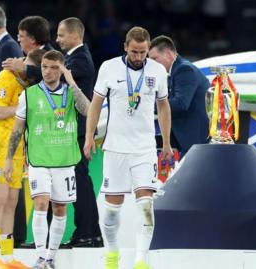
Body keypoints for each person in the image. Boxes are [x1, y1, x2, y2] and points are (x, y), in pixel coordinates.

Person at [84, 27, 173, 269]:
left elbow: (163, 107)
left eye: (143, 52)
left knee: (145, 205)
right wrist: (89, 137)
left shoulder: (157, 71)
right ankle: (112, 254)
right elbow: (95, 104)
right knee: (112, 210)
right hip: (116, 148)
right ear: (125, 47)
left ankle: (141, 260)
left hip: (144, 149)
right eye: (134, 51)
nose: (138, 57)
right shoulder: (109, 68)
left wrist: (164, 142)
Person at [3, 50, 91, 269]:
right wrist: (8, 159)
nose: (48, 71)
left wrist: (72, 82)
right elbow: (17, 130)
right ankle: (41, 257)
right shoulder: (29, 95)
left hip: (64, 160)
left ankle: (51, 257)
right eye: (44, 67)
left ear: (61, 69)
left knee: (60, 209)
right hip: (39, 160)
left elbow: (89, 110)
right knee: (41, 204)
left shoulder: (71, 93)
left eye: (54, 67)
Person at [0, 48, 45, 269]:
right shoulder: (6, 78)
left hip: (16, 149)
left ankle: (7, 257)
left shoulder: (25, 84)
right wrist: (23, 107)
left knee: (12, 202)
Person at [56, 17, 102, 248]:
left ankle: (87, 232)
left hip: (77, 129)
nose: (57, 39)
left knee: (79, 181)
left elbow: (55, 77)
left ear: (75, 35)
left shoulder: (81, 59)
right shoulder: (74, 58)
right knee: (79, 181)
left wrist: (27, 68)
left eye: (61, 35)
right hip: (75, 129)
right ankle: (90, 232)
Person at [148, 35, 209, 157]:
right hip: (188, 143)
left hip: (197, 143)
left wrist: (147, 104)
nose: (152, 65)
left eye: (155, 59)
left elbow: (181, 103)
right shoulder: (171, 73)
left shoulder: (184, 70)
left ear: (169, 54)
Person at [2, 15, 53, 84]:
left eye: (21, 36)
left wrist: (25, 68)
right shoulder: (25, 55)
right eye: (18, 36)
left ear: (32, 39)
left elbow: (54, 74)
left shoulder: (52, 56)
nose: (18, 40)